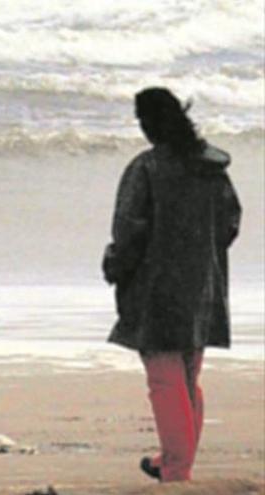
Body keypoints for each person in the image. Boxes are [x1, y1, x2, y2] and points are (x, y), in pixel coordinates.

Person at [102, 87, 242, 483]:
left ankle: (177, 471)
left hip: (157, 290)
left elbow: (128, 233)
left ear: (148, 124)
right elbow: (230, 223)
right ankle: (173, 462)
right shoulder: (212, 168)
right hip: (203, 287)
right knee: (186, 379)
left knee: (165, 381)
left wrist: (114, 267)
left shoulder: (146, 169)